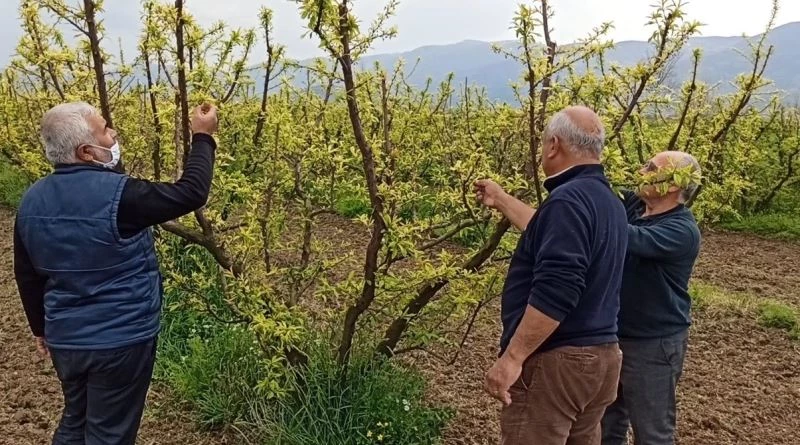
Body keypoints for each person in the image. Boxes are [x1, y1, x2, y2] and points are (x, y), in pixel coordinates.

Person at [14, 101, 219, 445]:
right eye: (105, 130)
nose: (114, 134)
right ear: (86, 152)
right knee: (109, 434)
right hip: (120, 340)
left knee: (75, 420)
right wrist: (203, 137)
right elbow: (191, 193)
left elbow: (27, 274)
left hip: (66, 339)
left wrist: (40, 328)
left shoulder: (31, 200)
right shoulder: (121, 197)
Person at [477, 106, 628, 445]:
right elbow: (548, 232)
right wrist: (501, 199)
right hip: (601, 358)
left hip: (558, 363)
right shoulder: (608, 202)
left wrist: (513, 358)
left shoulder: (567, 201)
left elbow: (558, 288)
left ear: (553, 145)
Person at [600, 151, 702, 445]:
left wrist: (592, 217)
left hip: (653, 344)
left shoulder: (681, 231)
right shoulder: (634, 204)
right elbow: (598, 189)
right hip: (614, 335)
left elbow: (623, 236)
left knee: (652, 433)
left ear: (674, 184)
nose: (641, 171)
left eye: (651, 168)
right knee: (606, 425)